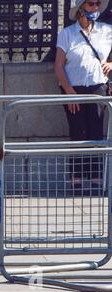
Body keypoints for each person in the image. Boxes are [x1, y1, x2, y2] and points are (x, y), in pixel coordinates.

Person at [54, 0, 112, 187]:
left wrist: (111, 64)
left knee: (96, 131)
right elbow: (59, 65)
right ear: (81, 8)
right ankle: (76, 178)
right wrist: (69, 91)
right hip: (74, 88)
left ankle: (95, 177)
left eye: (97, 4)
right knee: (77, 131)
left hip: (97, 86)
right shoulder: (67, 34)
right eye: (90, 4)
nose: (94, 8)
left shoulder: (106, 31)